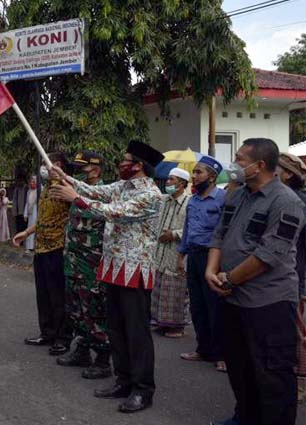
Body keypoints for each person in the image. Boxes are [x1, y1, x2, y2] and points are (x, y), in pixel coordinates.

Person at [49, 140, 163, 413]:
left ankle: (142, 389)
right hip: (112, 266)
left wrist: (74, 198)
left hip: (134, 270)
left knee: (136, 333)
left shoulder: (151, 195)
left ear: (138, 166)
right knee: (116, 329)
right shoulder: (122, 187)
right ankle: (123, 380)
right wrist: (64, 177)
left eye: (126, 160)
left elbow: (114, 213)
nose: (121, 163)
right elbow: (95, 191)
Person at [206, 138, 304, 425]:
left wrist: (228, 280)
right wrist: (211, 271)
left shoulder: (287, 202)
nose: (233, 165)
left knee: (273, 375)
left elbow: (268, 255)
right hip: (232, 298)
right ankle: (245, 417)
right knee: (240, 367)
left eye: (239, 158)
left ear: (259, 165)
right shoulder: (236, 196)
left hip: (268, 302)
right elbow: (219, 235)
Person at [56, 150, 112, 380]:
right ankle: (82, 350)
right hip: (74, 257)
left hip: (93, 259)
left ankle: (102, 359)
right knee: (75, 307)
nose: (78, 172)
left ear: (96, 170)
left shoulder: (106, 193)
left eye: (83, 168)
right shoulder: (77, 187)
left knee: (94, 309)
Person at [13, 153, 71, 356]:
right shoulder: (46, 189)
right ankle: (47, 333)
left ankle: (62, 338)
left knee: (58, 296)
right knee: (43, 294)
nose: (45, 168)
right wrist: (27, 232)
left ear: (60, 166)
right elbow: (45, 219)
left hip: (57, 248)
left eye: (52, 164)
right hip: (41, 247)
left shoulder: (66, 188)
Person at [177, 156, 227, 372]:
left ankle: (221, 353)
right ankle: (203, 349)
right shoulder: (194, 200)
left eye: (199, 172)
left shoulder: (222, 199)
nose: (195, 177)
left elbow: (226, 231)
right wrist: (181, 254)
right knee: (197, 306)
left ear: (212, 177)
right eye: (194, 173)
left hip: (213, 258)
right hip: (194, 256)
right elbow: (188, 228)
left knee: (214, 306)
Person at [276, 152, 306, 403]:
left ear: (287, 174)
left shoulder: (296, 202)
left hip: (294, 276)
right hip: (287, 275)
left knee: (293, 333)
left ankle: (297, 384)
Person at [151, 168, 191, 338]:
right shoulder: (163, 200)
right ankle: (161, 323)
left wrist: (174, 234)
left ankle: (176, 327)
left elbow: (193, 228)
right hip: (159, 253)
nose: (167, 183)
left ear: (182, 184)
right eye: (167, 180)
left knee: (176, 291)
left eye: (171, 180)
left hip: (177, 253)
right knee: (159, 290)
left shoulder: (190, 203)